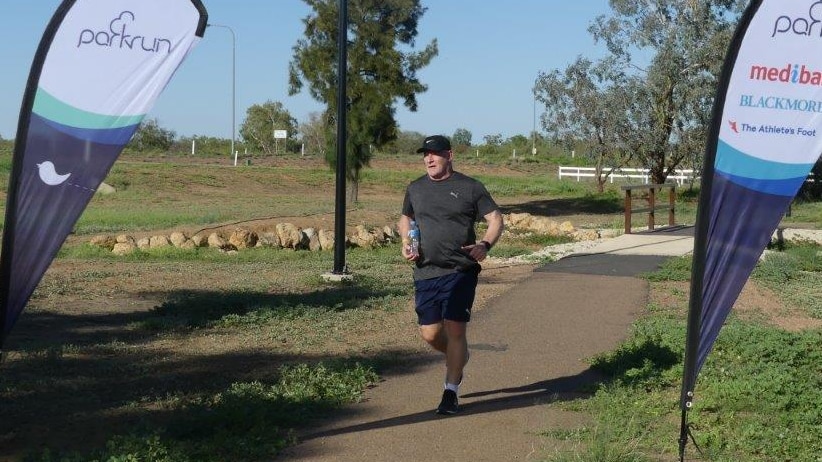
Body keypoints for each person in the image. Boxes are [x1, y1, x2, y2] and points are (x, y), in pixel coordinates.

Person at [398, 134, 504, 415]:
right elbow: (406, 217)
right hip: (426, 270)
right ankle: (459, 357)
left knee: (455, 328)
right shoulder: (416, 188)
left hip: (460, 269)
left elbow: (495, 218)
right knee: (430, 333)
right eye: (425, 154)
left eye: (434, 154)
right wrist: (405, 241)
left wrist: (485, 244)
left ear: (449, 155)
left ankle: (450, 391)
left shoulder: (469, 187)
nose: (429, 159)